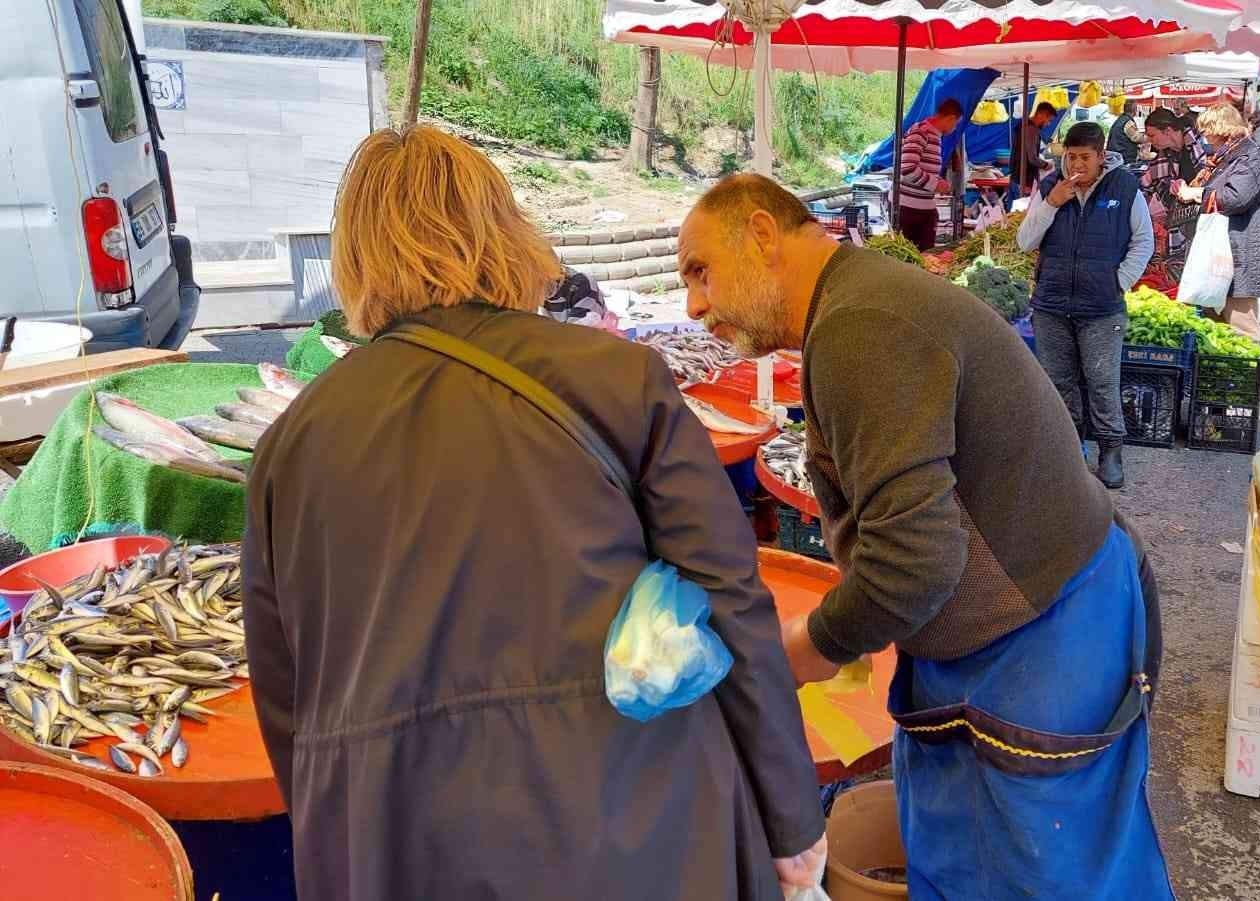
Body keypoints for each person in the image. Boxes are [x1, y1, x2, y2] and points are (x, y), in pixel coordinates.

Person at [242, 127, 827, 900]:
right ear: (504, 230)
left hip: (395, 846)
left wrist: (350, 826)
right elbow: (732, 600)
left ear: (355, 258)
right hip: (636, 826)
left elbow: (287, 695)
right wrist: (791, 820)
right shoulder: (615, 377)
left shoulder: (291, 445)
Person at [675, 172, 1170, 899]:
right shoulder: (857, 305)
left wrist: (802, 650)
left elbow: (912, 563)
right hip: (1049, 605)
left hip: (1042, 637)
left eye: (699, 272)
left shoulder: (861, 326)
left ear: (760, 234)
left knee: (1039, 874)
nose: (693, 305)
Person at [1017, 122, 1154, 489]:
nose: (1076, 165)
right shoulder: (1050, 187)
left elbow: (1144, 242)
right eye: (1070, 157)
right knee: (1059, 381)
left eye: (1084, 157)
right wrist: (1051, 204)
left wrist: (1119, 281)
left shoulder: (1124, 188)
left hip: (1102, 307)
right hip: (1051, 304)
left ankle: (1111, 449)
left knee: (1101, 380)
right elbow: (1025, 241)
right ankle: (1070, 448)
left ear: (1101, 155)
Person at [1177, 103, 1260, 341]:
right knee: (1218, 325)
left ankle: (1247, 372)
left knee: (1242, 324)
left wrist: (1197, 194)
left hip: (1240, 250)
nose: (1205, 137)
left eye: (1207, 130)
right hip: (1228, 249)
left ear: (1221, 129)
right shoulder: (1230, 156)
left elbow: (1235, 198)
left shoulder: (1249, 156)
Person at [1140, 107, 1203, 291]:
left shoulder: (1201, 144)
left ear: (1167, 131)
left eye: (1152, 135)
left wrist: (1191, 190)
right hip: (1180, 222)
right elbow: (1147, 183)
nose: (1149, 140)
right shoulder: (1166, 154)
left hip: (1203, 219)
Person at [899, 97, 963, 251]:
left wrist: (937, 180)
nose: (954, 128)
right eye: (956, 124)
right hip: (909, 209)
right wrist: (935, 184)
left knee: (927, 255)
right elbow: (907, 167)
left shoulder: (935, 136)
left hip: (923, 207)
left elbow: (922, 168)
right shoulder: (921, 132)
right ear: (950, 118)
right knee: (913, 256)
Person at [1011, 101, 1058, 198]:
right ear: (1041, 114)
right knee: (1023, 210)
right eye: (1048, 120)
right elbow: (1032, 158)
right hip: (1024, 180)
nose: (1048, 124)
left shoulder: (1023, 125)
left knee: (1016, 210)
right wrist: (1046, 165)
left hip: (1017, 176)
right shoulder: (1031, 129)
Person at [1107, 98, 1146, 166]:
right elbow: (1136, 138)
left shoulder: (1120, 119)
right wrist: (1151, 137)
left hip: (1116, 157)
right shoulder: (1128, 122)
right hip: (1124, 158)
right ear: (1134, 109)